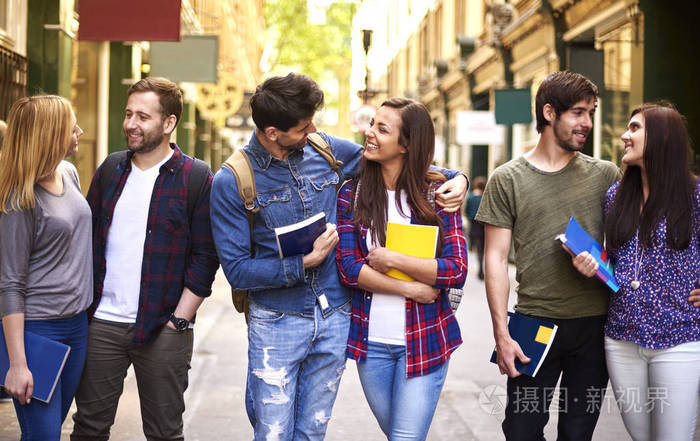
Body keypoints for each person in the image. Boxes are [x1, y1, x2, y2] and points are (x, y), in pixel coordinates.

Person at [209, 73, 468, 441]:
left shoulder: (325, 150)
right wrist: (304, 263)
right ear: (272, 132)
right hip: (277, 321)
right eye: (303, 126)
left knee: (313, 429)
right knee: (273, 431)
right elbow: (237, 271)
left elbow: (402, 163)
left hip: (334, 318)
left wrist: (458, 178)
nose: (313, 129)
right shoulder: (232, 181)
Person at [70, 77, 219, 441]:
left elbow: (206, 255)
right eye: (128, 114)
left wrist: (179, 320)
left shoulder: (196, 177)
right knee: (88, 428)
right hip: (103, 322)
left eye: (143, 117)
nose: (131, 124)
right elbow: (87, 240)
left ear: (169, 123)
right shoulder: (111, 169)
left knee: (164, 433)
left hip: (164, 327)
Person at [476, 71, 620, 440]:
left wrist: (598, 263)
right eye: (577, 113)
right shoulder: (506, 178)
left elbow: (628, 248)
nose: (587, 122)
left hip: (594, 325)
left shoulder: (606, 175)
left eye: (591, 112)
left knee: (578, 431)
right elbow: (495, 260)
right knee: (521, 430)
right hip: (533, 323)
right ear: (549, 113)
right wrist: (502, 334)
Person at [335, 97, 467, 440]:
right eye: (371, 124)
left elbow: (455, 269)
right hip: (371, 344)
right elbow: (349, 268)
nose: (369, 133)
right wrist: (410, 287)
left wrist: (393, 260)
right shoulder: (353, 193)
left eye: (382, 128)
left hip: (425, 339)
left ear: (406, 144)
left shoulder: (438, 193)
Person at [573, 103, 700, 441]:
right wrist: (593, 266)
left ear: (661, 138)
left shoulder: (695, 194)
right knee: (642, 436)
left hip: (679, 338)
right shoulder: (616, 196)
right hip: (621, 338)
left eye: (634, 128)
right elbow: (616, 261)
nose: (624, 136)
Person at [0, 95, 89, 440]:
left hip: (77, 326)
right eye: (71, 127)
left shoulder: (69, 173)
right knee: (44, 436)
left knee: (45, 431)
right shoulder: (18, 199)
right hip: (39, 331)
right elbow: (10, 283)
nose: (79, 131)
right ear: (51, 136)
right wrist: (18, 363)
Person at [465, 176, 486, 280]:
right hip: (484, 225)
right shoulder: (485, 197)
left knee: (478, 247)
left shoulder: (470, 197)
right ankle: (482, 270)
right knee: (483, 248)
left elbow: (467, 211)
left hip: (474, 225)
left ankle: (480, 269)